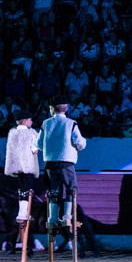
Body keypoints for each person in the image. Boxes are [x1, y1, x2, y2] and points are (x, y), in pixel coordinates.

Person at [37, 98, 86, 230]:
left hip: (50, 162)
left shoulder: (46, 123)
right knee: (71, 188)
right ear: (66, 108)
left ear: (52, 109)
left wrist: (48, 148)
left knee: (54, 190)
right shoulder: (71, 123)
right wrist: (77, 147)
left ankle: (52, 217)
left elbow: (38, 143)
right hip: (66, 161)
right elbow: (80, 142)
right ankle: (66, 216)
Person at [4, 110, 40, 223]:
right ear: (24, 121)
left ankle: (23, 212)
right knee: (27, 189)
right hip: (28, 166)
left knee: (22, 188)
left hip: (17, 166)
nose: (32, 122)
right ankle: (22, 214)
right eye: (30, 120)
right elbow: (35, 149)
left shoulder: (12, 134)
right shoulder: (31, 133)